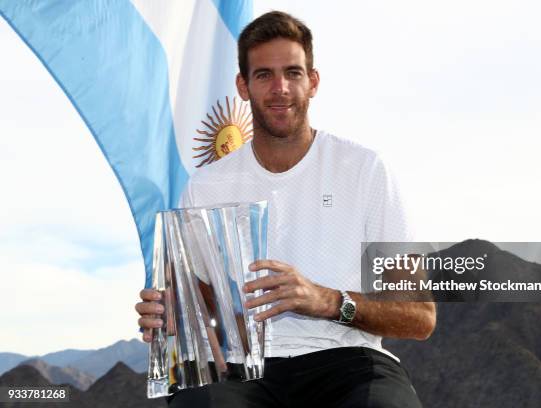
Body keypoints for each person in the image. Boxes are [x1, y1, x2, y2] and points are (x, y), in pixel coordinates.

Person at [136, 11, 436, 407]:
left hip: (350, 360)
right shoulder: (205, 188)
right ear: (243, 86)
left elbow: (419, 317)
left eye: (293, 73)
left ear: (313, 82)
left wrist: (327, 300)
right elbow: (199, 306)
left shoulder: (365, 170)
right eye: (264, 75)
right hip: (244, 369)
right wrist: (170, 315)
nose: (280, 88)